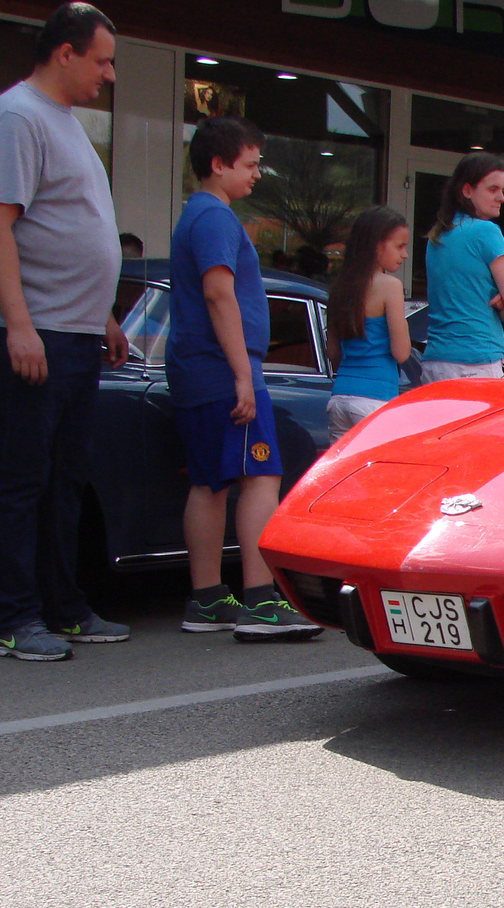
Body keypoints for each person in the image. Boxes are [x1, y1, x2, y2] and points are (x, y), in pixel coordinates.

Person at [0, 3, 131, 661]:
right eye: (101, 59)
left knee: (65, 477)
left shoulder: (61, 121)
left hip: (74, 330)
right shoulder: (15, 117)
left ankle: (63, 609)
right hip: (35, 333)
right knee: (20, 473)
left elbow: (72, 225)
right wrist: (19, 326)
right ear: (64, 52)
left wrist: (104, 315)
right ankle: (10, 618)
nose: (109, 74)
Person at [168, 116, 321, 642]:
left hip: (198, 368)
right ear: (218, 164)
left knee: (209, 483)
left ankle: (208, 599)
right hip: (222, 369)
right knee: (261, 477)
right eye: (250, 164)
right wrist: (241, 375)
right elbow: (219, 294)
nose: (257, 174)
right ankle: (260, 599)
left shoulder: (197, 214)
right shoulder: (215, 219)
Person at [421, 151, 504, 382]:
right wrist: (499, 307)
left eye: (503, 190)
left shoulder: (437, 236)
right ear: (467, 190)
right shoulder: (486, 231)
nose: (502, 198)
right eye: (492, 189)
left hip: (435, 360)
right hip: (477, 359)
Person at [325, 205, 413, 438]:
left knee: (345, 472)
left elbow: (332, 351)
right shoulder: (390, 286)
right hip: (375, 399)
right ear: (376, 244)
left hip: (340, 397)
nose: (404, 254)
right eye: (400, 246)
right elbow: (401, 353)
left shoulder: (340, 286)